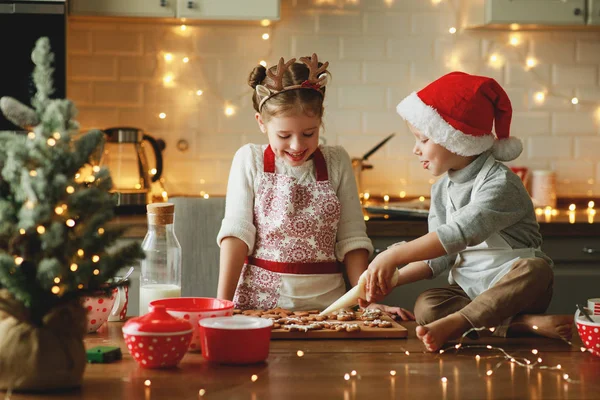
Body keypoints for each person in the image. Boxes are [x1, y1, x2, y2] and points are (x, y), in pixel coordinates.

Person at [363, 72, 573, 352]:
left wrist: (393, 255)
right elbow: (440, 255)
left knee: (536, 270)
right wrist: (394, 278)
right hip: (470, 292)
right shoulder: (441, 190)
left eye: (423, 139)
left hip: (514, 285)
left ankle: (460, 322)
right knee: (428, 305)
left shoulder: (500, 183)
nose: (416, 149)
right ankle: (522, 324)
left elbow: (459, 233)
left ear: (457, 140)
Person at [216, 54, 377, 312]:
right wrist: (222, 304)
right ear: (261, 122)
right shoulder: (250, 159)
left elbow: (353, 239)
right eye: (283, 135)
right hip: (260, 306)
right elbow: (237, 234)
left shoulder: (337, 161)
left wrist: (368, 304)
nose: (297, 145)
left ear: (321, 119)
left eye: (308, 133)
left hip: (329, 307)